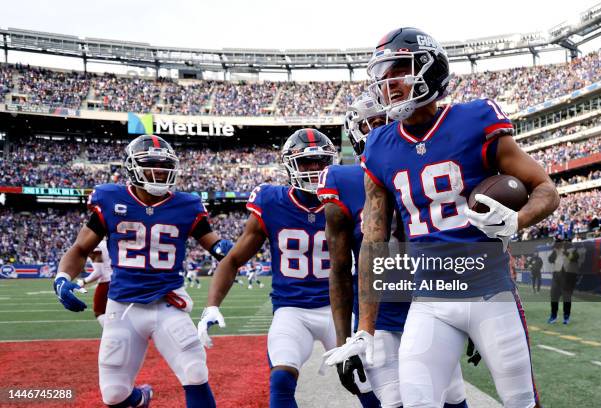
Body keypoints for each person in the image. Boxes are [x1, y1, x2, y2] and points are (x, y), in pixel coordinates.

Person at [332, 28, 559, 408]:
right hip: (429, 301)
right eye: (382, 75)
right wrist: (364, 332)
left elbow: (546, 190)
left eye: (397, 70)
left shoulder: (475, 119)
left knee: (521, 403)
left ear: (428, 68)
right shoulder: (379, 145)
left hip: (491, 293)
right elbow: (373, 244)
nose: (388, 84)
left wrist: (516, 221)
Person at [53, 135, 233, 408]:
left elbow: (215, 244)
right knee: (114, 394)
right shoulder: (110, 199)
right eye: (151, 164)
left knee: (195, 371)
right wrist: (62, 278)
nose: (160, 170)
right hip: (123, 305)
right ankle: (140, 398)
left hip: (168, 302)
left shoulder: (187, 205)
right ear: (132, 167)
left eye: (164, 165)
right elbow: (79, 249)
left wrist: (229, 248)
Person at [321, 93, 468, 408]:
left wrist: (474, 314)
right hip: (381, 324)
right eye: (370, 123)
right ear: (354, 131)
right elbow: (339, 272)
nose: (378, 129)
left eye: (385, 120)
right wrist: (345, 340)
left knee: (454, 400)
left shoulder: (429, 165)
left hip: (434, 310)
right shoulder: (341, 180)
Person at [199, 129, 340, 408]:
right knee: (281, 379)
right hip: (292, 310)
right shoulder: (272, 201)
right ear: (290, 166)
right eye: (305, 163)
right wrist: (212, 305)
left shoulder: (345, 197)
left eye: (320, 162)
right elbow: (233, 259)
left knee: (367, 379)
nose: (313, 169)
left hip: (340, 308)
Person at [76, 238, 112, 327]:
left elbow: (99, 272)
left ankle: (111, 334)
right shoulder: (110, 242)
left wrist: (84, 281)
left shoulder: (96, 245)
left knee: (99, 311)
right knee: (112, 311)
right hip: (116, 279)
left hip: (106, 282)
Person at [548, 240, 578, 324]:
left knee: (566, 299)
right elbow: (550, 259)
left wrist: (564, 252)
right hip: (556, 278)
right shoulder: (556, 251)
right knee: (554, 297)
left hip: (567, 279)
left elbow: (574, 258)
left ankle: (566, 317)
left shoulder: (573, 250)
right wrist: (556, 252)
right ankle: (553, 316)